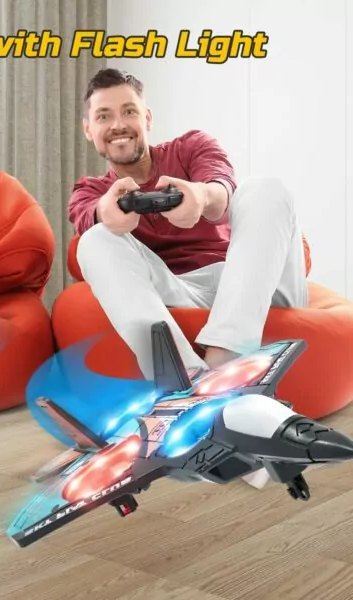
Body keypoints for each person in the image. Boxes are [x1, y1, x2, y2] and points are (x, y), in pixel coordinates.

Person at [69, 69, 309, 489]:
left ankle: (217, 371)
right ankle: (191, 387)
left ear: (147, 118)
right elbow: (93, 217)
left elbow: (222, 186)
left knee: (265, 188)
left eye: (129, 111)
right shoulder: (88, 190)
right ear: (89, 130)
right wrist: (110, 211)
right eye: (104, 116)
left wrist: (199, 197)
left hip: (251, 281)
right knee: (94, 241)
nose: (118, 123)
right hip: (179, 294)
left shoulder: (192, 147)